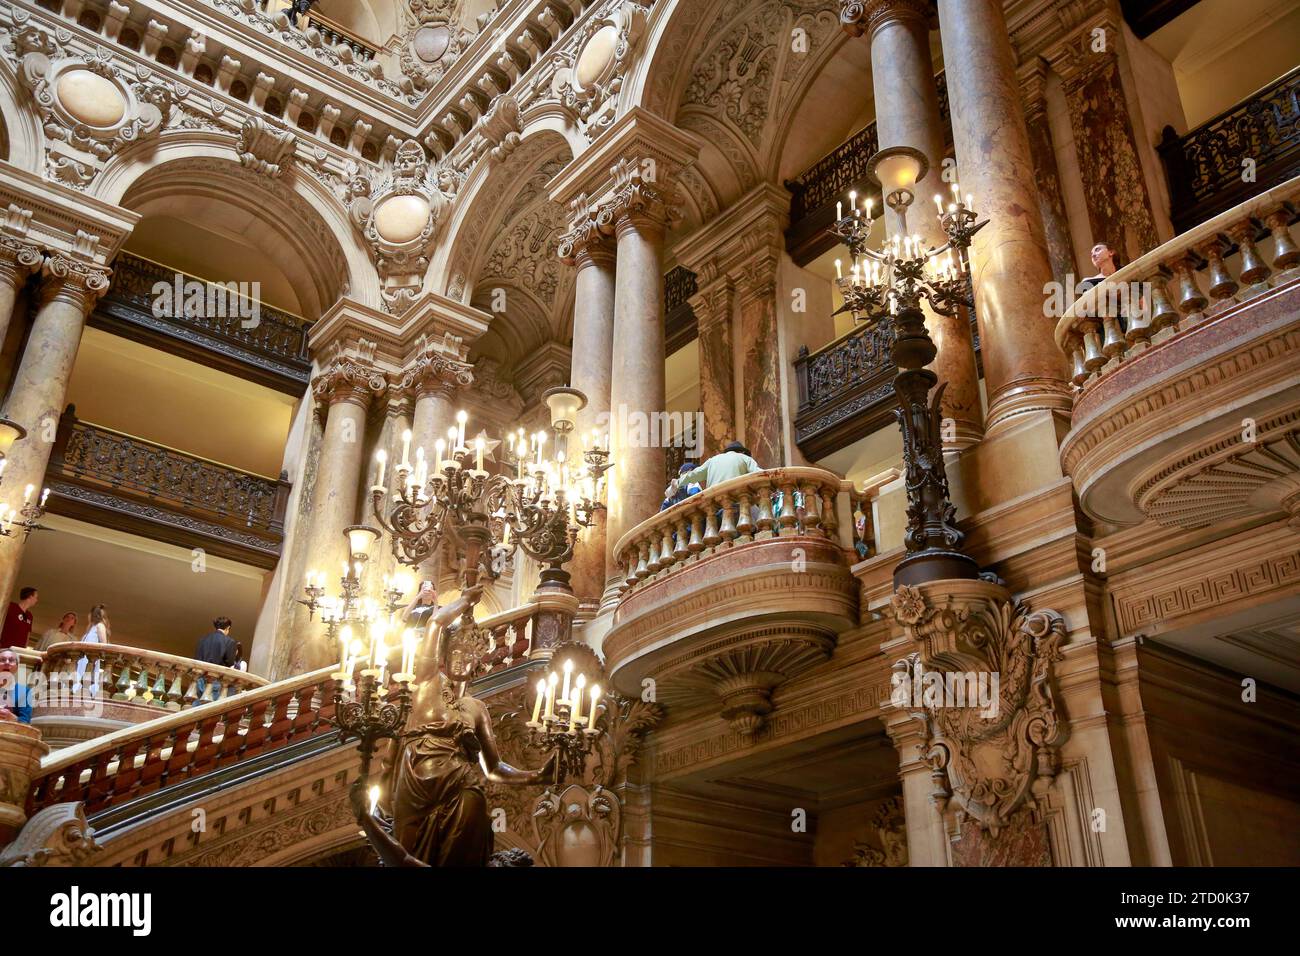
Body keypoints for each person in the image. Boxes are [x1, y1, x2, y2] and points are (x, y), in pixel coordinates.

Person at [355, 585, 556, 867]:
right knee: (408, 855)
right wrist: (463, 601)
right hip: (417, 782)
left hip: (463, 787)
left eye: (471, 652)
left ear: (478, 661)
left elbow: (494, 768)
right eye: (457, 650)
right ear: (444, 656)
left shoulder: (478, 708)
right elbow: (436, 622)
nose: (464, 657)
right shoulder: (427, 682)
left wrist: (536, 775)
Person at [668, 441, 761, 496]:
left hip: (714, 507)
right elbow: (759, 474)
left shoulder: (712, 460)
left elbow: (694, 475)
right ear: (742, 452)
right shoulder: (745, 458)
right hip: (737, 502)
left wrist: (677, 483)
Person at [195, 616, 237, 701]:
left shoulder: (203, 640)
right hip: (216, 680)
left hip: (200, 678)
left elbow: (197, 658)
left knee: (198, 706)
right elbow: (230, 662)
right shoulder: (229, 641)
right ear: (228, 628)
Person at [74, 604, 109, 695]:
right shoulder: (90, 628)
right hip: (82, 659)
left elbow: (104, 644)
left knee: (87, 680)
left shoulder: (100, 626)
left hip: (90, 659)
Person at [0, 648, 32, 724]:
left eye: (11, 660)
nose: (7, 663)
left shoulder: (24, 692)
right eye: (2, 660)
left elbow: (25, 721)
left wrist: (12, 718)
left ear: (17, 667)